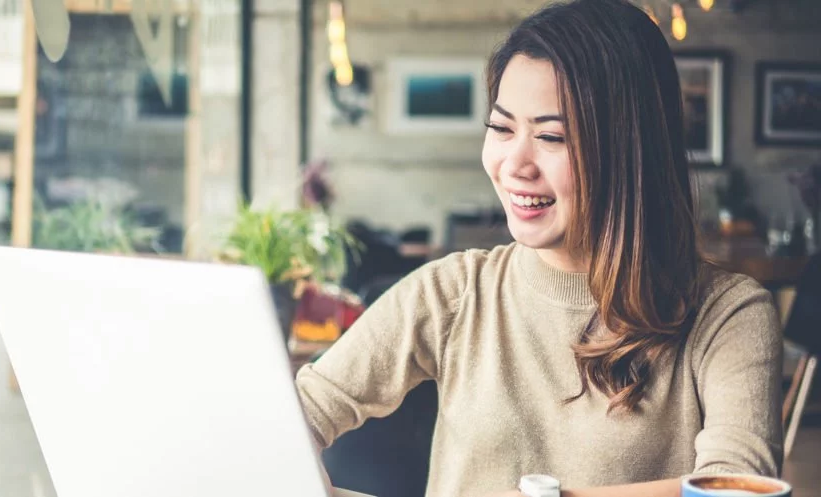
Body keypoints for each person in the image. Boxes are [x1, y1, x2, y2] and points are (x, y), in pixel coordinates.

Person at [294, 1, 783, 496]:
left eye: (551, 136)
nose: (514, 164)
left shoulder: (729, 315)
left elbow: (737, 489)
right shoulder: (454, 292)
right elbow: (301, 411)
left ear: (630, 153)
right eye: (501, 128)